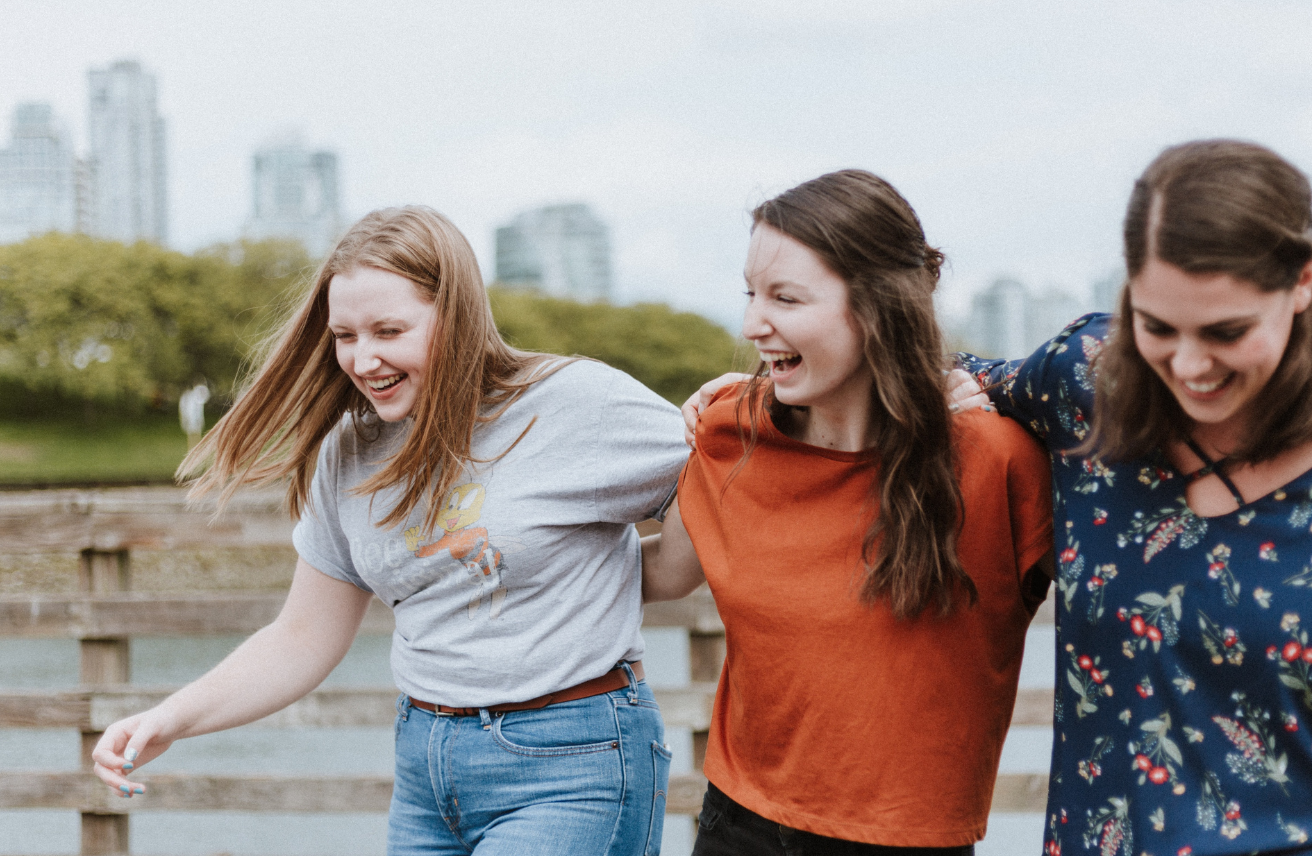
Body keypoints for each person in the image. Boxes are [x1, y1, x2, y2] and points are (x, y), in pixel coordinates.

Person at [90, 207, 689, 856]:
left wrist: (640, 572)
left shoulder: (573, 404)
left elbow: (719, 478)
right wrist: (169, 719)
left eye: (389, 330)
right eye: (344, 335)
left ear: (455, 317)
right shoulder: (348, 451)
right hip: (427, 773)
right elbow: (302, 636)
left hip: (573, 762)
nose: (363, 358)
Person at [951, 140, 1312, 856]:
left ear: (1301, 281)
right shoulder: (1088, 382)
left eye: (1226, 332)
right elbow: (927, 379)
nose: (1190, 366)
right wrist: (750, 405)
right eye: (1157, 327)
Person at [643, 169, 1055, 855]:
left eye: (786, 297)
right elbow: (660, 573)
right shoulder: (729, 432)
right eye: (751, 294)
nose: (752, 324)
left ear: (878, 307)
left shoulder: (997, 459)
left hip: (909, 842)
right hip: (736, 827)